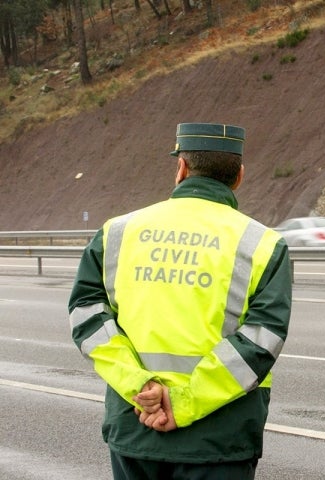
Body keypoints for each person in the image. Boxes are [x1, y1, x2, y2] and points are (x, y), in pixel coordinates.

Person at [68, 122, 292, 480]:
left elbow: (86, 317)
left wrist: (140, 386)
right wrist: (183, 402)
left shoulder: (118, 232)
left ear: (182, 168)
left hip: (136, 423)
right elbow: (261, 341)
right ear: (239, 177)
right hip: (219, 439)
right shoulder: (262, 244)